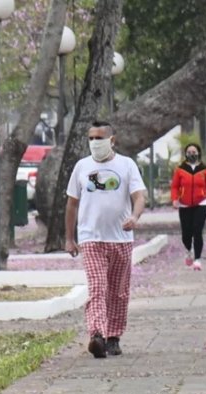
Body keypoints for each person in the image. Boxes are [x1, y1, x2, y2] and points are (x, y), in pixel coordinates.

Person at [65, 121, 146, 359]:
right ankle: (97, 335)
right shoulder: (81, 166)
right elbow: (72, 204)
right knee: (98, 287)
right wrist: (70, 238)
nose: (94, 143)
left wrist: (134, 216)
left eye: (99, 138)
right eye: (90, 138)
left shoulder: (126, 164)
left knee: (118, 291)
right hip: (91, 238)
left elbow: (139, 196)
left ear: (112, 140)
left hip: (121, 239)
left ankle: (114, 337)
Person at [170, 143, 206, 271]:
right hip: (184, 204)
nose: (192, 154)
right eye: (189, 152)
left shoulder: (205, 170)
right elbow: (175, 186)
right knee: (186, 233)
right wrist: (175, 199)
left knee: (197, 231)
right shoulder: (180, 170)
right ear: (186, 154)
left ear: (198, 153)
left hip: (201, 203)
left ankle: (197, 259)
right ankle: (189, 250)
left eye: (194, 152)